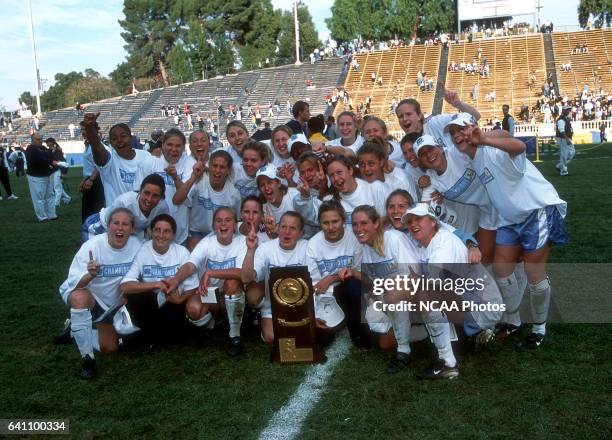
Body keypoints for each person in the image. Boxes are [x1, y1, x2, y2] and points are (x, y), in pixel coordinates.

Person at [447, 113, 567, 349]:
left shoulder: (491, 150)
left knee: (535, 275)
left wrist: (486, 139)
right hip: (510, 219)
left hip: (536, 211)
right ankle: (512, 320)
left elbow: (519, 146)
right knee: (502, 271)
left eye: (461, 129)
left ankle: (539, 329)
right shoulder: (473, 157)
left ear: (474, 129)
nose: (458, 135)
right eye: (453, 133)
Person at [402, 203, 502, 379]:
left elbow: (433, 286)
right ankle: (470, 336)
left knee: (423, 294)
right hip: (474, 301)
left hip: (484, 308)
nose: (413, 224)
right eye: (410, 221)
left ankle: (448, 363)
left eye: (419, 219)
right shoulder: (429, 241)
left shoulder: (444, 243)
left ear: (433, 222)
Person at [58, 208, 141, 379]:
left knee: (110, 348)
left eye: (125, 224)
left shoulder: (138, 246)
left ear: (132, 229)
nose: (120, 228)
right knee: (79, 298)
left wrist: (129, 296)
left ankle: (75, 331)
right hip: (94, 300)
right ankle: (87, 359)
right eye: (115, 223)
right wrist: (90, 275)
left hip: (116, 306)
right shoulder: (92, 246)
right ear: (108, 226)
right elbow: (73, 286)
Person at [342, 205, 419, 374]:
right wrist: (354, 273)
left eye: (364, 223)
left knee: (392, 297)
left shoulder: (393, 239)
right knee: (382, 339)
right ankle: (422, 332)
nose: (358, 229)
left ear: (376, 223)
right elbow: (374, 280)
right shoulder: (366, 248)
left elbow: (415, 276)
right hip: (394, 294)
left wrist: (386, 288)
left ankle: (404, 351)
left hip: (419, 291)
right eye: (355, 224)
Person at [166, 207, 252, 356]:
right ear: (213, 225)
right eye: (219, 220)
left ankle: (234, 336)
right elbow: (190, 264)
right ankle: (214, 325)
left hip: (230, 293)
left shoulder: (242, 242)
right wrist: (176, 280)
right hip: (209, 294)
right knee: (193, 309)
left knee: (231, 283)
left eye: (228, 220)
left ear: (234, 224)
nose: (223, 224)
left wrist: (211, 272)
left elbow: (242, 273)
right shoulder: (207, 242)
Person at [120, 214, 199, 346]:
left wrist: (180, 299)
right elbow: (125, 286)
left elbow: (193, 287)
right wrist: (157, 284)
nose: (161, 235)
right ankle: (154, 336)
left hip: (174, 301)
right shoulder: (143, 250)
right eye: (157, 230)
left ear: (173, 235)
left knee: (173, 325)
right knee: (134, 297)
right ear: (151, 232)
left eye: (166, 231)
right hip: (150, 301)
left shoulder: (181, 252)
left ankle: (148, 337)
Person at [307, 201, 369, 346]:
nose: (330, 227)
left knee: (354, 287)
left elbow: (357, 272)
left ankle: (357, 329)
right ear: (319, 224)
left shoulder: (354, 238)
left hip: (347, 288)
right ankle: (338, 324)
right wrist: (314, 314)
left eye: (335, 221)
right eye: (325, 223)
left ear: (343, 221)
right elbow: (315, 284)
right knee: (321, 341)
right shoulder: (313, 245)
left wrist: (330, 278)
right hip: (324, 294)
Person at [134, 128, 196, 244]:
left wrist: (175, 177)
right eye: (169, 145)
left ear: (183, 148)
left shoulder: (190, 164)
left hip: (179, 231)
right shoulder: (150, 162)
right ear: (162, 144)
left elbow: (181, 199)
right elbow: (137, 194)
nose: (173, 149)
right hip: (150, 231)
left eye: (178, 146)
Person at [173, 149, 241, 250]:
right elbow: (176, 200)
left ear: (228, 170)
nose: (217, 170)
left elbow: (237, 221)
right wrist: (193, 177)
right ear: (209, 167)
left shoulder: (234, 194)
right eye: (214, 166)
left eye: (222, 167)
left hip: (221, 233)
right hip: (197, 232)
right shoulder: (199, 181)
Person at [81, 114, 150, 208]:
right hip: (118, 219)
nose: (119, 140)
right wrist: (90, 128)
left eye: (123, 136)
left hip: (143, 217)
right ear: (110, 143)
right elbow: (96, 145)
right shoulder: (109, 160)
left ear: (131, 138)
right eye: (114, 138)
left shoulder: (145, 156)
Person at [82, 173, 169, 242]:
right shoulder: (124, 203)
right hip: (101, 226)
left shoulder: (162, 208)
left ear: (161, 197)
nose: (149, 199)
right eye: (146, 193)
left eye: (155, 195)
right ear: (140, 190)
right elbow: (112, 225)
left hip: (130, 232)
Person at [25, 133, 57, 222]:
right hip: (36, 176)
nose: (40, 141)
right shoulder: (30, 149)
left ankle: (51, 214)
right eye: (38, 139)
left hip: (47, 174)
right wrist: (48, 160)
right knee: (39, 197)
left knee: (50, 195)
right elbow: (37, 159)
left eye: (41, 139)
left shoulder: (43, 148)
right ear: (33, 140)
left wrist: (48, 159)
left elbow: (50, 156)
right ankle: (42, 217)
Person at [46, 138, 71, 207]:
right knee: (56, 187)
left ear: (52, 142)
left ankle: (56, 203)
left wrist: (63, 173)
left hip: (58, 170)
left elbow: (62, 161)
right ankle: (67, 197)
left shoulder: (58, 150)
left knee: (57, 187)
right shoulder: (48, 150)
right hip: (52, 171)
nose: (47, 143)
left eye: (48, 142)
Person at [555, 106, 575, 176]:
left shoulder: (565, 118)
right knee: (564, 154)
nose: (569, 111)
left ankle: (560, 166)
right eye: (567, 110)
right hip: (563, 138)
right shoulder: (561, 119)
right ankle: (563, 171)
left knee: (571, 152)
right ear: (563, 111)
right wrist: (566, 139)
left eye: (569, 110)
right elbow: (561, 130)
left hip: (565, 138)